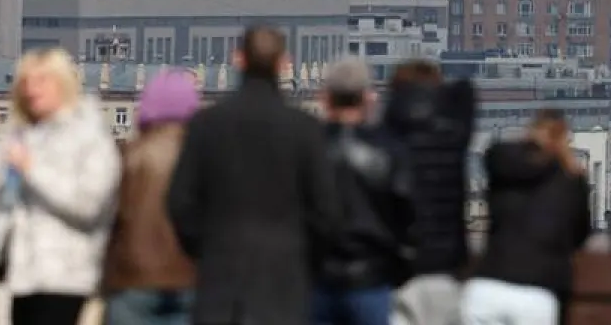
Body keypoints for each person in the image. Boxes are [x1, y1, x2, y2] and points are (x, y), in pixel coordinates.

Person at [166, 25, 339, 325]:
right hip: (284, 279)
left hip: (220, 276)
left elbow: (180, 202)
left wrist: (204, 248)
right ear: (284, 63)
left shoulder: (207, 125)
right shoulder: (305, 129)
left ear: (238, 59)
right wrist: (303, 256)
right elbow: (327, 211)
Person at [0, 48, 121, 325]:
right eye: (26, 82)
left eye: (42, 81)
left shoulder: (89, 139)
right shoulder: (16, 136)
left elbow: (89, 204)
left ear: (64, 85)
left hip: (60, 278)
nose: (32, 90)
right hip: (7, 271)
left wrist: (32, 169)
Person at [463, 110, 591, 325]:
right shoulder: (569, 181)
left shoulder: (502, 166)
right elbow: (579, 234)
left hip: (486, 286)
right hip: (537, 290)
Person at [314, 58, 417, 325]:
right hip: (371, 276)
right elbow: (408, 213)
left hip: (318, 277)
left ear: (325, 99)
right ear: (368, 98)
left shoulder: (308, 147)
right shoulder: (389, 149)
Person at [101, 68, 201, 325]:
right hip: (189, 279)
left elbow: (108, 217)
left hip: (134, 279)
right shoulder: (204, 157)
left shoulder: (129, 154)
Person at [380, 61, 476, 325]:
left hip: (400, 272)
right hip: (444, 268)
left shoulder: (388, 136)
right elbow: (466, 91)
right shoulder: (453, 137)